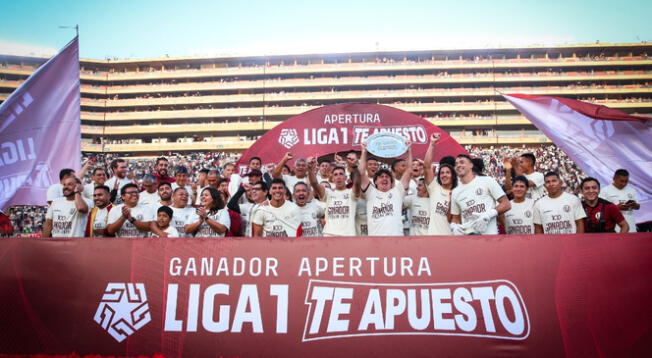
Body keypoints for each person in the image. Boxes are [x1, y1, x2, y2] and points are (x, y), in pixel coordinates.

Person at [358, 141, 413, 236]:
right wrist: (364, 151)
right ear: (375, 181)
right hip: (375, 241)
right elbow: (361, 172)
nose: (384, 178)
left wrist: (408, 150)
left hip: (396, 239)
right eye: (381, 177)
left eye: (387, 177)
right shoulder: (370, 192)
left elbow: (408, 170)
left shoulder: (398, 192)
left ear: (392, 182)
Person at [450, 154, 511, 235]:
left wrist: (488, 215)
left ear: (471, 165)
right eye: (456, 164)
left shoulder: (487, 181)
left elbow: (506, 204)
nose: (458, 165)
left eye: (462, 162)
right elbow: (455, 218)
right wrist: (454, 227)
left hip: (489, 237)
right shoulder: (455, 190)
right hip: (468, 238)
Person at [308, 158, 358, 237]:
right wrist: (310, 169)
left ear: (345, 177)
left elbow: (358, 181)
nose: (338, 177)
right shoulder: (328, 193)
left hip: (348, 235)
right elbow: (314, 183)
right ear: (332, 179)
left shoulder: (352, 192)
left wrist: (354, 165)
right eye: (335, 174)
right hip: (329, 235)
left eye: (341, 174)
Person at [423, 133, 457, 235]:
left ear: (453, 175)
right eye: (442, 173)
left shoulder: (459, 192)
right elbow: (427, 166)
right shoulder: (434, 188)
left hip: (453, 239)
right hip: (433, 238)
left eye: (447, 172)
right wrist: (432, 144)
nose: (444, 175)